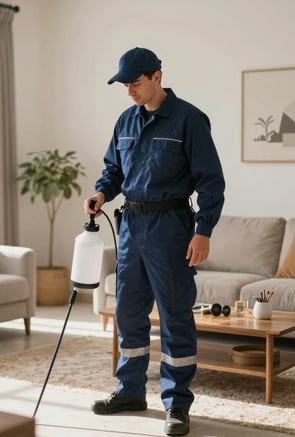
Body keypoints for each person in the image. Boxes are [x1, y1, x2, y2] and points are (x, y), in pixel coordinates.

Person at [83, 47, 225, 436]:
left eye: (136, 83)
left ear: (157, 76)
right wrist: (100, 194)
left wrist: (203, 231)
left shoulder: (189, 120)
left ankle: (177, 403)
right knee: (129, 312)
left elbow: (211, 182)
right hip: (131, 226)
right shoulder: (125, 121)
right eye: (125, 84)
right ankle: (130, 390)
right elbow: (113, 169)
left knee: (175, 315)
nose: (130, 90)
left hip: (172, 228)